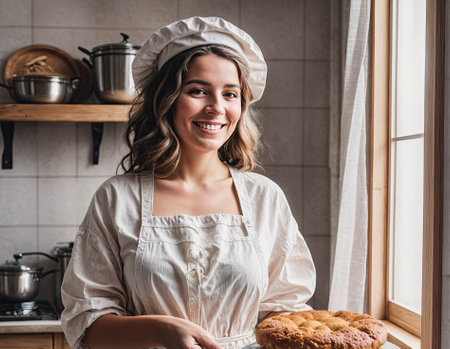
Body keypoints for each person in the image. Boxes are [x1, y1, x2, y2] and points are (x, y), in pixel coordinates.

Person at [61, 16, 316, 349]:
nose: (216, 108)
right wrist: (158, 330)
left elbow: (287, 315)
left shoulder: (264, 198)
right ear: (166, 100)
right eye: (197, 91)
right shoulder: (117, 198)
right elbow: (87, 325)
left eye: (230, 94)